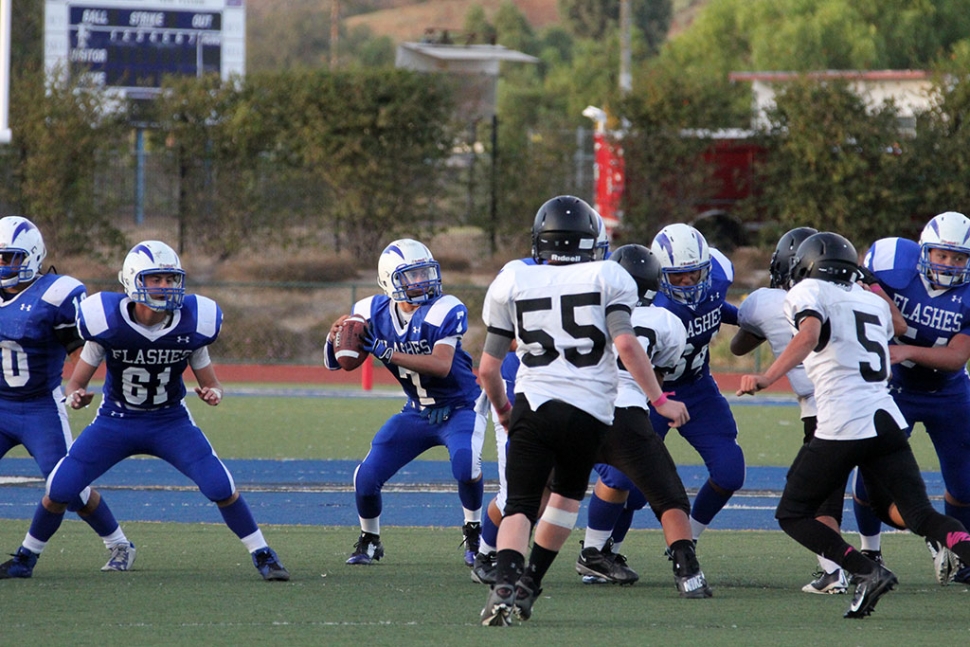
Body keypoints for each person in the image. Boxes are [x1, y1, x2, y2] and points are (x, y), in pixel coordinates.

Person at [0, 240, 289, 581]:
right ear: (134, 280)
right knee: (61, 488)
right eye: (156, 279)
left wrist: (212, 392)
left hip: (169, 421)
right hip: (116, 421)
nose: (166, 287)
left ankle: (263, 554)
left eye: (170, 279)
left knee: (219, 485)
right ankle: (25, 557)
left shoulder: (191, 323)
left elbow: (211, 381)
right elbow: (75, 383)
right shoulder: (106, 320)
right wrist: (76, 395)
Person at [478, 196, 689, 626]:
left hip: (533, 404)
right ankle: (529, 584)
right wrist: (660, 400)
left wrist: (503, 409)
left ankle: (503, 582)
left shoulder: (514, 279)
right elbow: (627, 345)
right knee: (564, 502)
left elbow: (487, 368)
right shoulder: (608, 275)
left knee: (520, 504)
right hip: (589, 409)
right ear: (590, 240)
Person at [737, 231, 970, 619]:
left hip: (842, 423)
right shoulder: (870, 301)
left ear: (807, 266)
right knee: (921, 515)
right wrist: (872, 283)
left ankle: (865, 570)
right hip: (886, 420)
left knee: (793, 513)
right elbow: (897, 323)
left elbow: (809, 334)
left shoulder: (807, 290)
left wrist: (767, 376)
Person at [324, 239, 484, 567]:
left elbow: (441, 364)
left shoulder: (444, 308)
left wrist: (385, 351)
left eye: (425, 273)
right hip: (417, 412)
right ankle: (370, 539)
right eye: (411, 276)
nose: (422, 282)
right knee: (365, 478)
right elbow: (337, 363)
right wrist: (333, 339)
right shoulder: (370, 311)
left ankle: (474, 531)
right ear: (389, 282)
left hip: (460, 408)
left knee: (465, 466)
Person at [573, 244, 711, 598]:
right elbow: (656, 375)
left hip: (573, 413)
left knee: (540, 495)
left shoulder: (578, 314)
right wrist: (660, 401)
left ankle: (501, 560)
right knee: (671, 500)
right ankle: (688, 574)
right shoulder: (665, 321)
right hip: (626, 416)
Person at [0, 216, 135, 576]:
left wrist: (78, 386)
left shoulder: (56, 294)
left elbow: (81, 348)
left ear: (31, 255)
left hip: (39, 407)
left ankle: (119, 543)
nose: (2, 264)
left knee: (68, 488)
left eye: (9, 257)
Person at [730, 226, 854, 594]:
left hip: (824, 411)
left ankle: (839, 571)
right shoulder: (855, 298)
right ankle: (869, 556)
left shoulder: (765, 301)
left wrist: (763, 328)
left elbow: (738, 346)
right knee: (877, 494)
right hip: (872, 404)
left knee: (808, 498)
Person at [858, 211, 970, 585]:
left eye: (959, 258)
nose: (950, 264)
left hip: (947, 392)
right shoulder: (891, 262)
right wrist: (876, 294)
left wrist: (906, 351)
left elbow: (956, 357)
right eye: (942, 255)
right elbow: (859, 280)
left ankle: (961, 553)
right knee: (868, 477)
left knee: (965, 483)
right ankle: (869, 552)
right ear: (925, 252)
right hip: (894, 389)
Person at [648, 223, 744, 544]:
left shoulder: (714, 284)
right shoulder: (645, 302)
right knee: (628, 484)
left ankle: (687, 539)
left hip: (696, 389)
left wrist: (752, 319)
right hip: (650, 392)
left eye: (695, 273)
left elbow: (717, 308)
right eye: (677, 276)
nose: (688, 281)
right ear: (660, 274)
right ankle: (601, 551)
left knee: (730, 470)